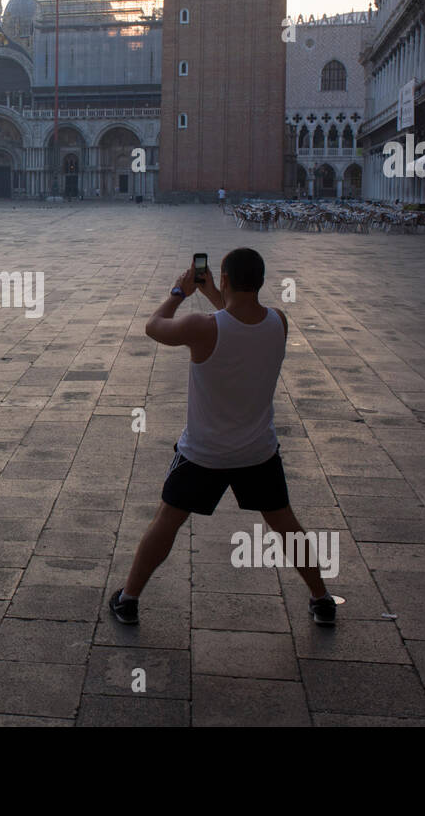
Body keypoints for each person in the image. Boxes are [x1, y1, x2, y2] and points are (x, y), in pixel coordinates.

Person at [109, 248, 337, 628]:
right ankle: (322, 598)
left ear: (227, 279)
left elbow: (154, 326)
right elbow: (239, 320)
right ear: (261, 282)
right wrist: (216, 293)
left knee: (167, 521)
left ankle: (129, 599)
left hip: (204, 453)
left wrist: (180, 292)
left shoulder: (201, 327)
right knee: (285, 525)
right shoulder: (279, 322)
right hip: (258, 452)